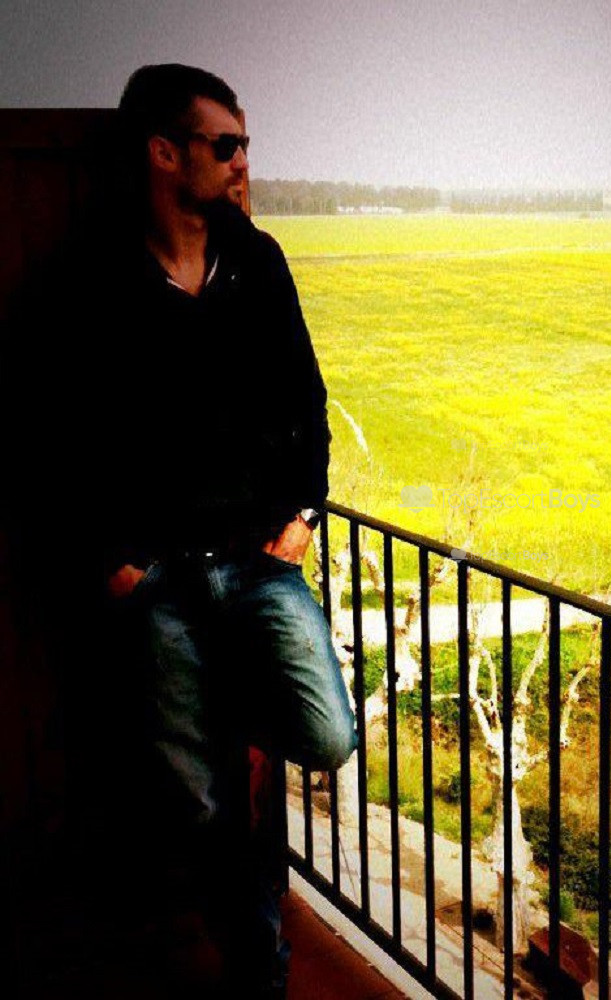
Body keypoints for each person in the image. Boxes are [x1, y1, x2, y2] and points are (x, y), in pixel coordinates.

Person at [4, 64, 357, 997]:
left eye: (245, 145)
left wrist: (305, 511)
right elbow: (39, 437)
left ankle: (223, 716)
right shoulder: (88, 281)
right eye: (226, 145)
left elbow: (307, 403)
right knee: (197, 801)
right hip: (154, 578)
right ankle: (256, 963)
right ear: (166, 154)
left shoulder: (259, 265)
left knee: (326, 736)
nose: (243, 163)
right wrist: (105, 561)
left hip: (258, 562)